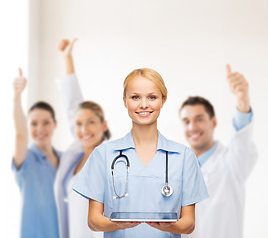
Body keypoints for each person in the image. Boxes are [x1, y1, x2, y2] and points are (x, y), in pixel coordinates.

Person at [73, 68, 209, 238]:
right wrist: (119, 224)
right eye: (135, 97)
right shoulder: (103, 155)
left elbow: (188, 224)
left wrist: (164, 226)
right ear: (125, 101)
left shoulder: (184, 157)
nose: (144, 104)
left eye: (152, 97)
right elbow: (94, 220)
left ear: (163, 100)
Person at [179, 65, 258, 238]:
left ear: (213, 122)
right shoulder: (177, 169)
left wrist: (242, 100)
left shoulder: (232, 162)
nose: (192, 127)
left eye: (199, 119)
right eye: (186, 121)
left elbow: (241, 141)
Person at [54, 39, 109, 238]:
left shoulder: (110, 160)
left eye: (91, 122)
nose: (84, 129)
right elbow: (72, 106)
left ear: (104, 125)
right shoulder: (75, 156)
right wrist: (67, 57)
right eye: (79, 124)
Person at [12, 68, 61, 238]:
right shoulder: (26, 159)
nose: (40, 129)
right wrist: (17, 96)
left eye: (45, 122)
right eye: (33, 124)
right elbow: (20, 134)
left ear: (55, 124)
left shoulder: (65, 160)